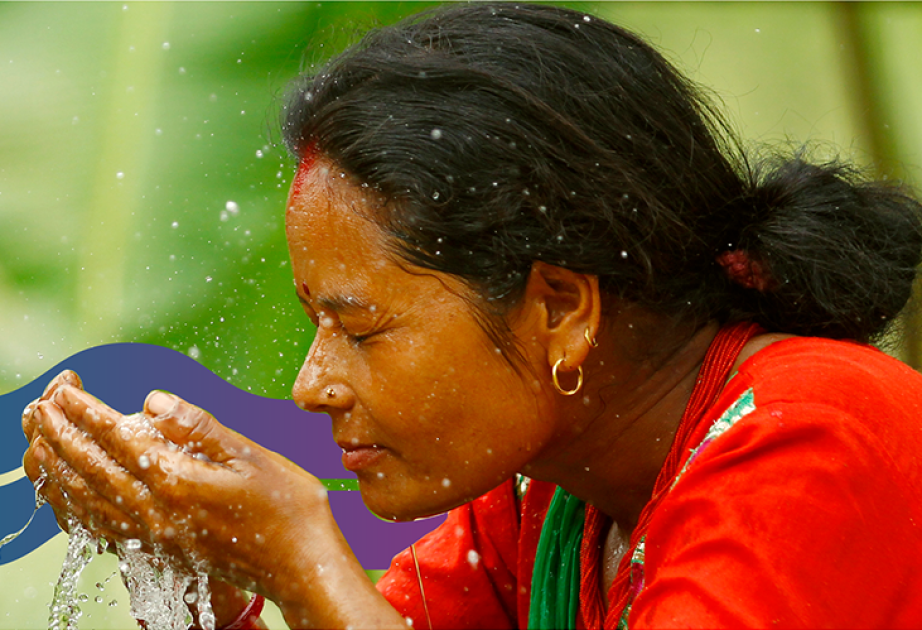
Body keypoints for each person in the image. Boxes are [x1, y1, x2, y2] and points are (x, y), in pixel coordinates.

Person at [20, 3, 922, 628]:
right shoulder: (542, 497)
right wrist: (214, 589)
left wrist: (301, 553)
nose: (311, 385)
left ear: (561, 310)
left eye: (362, 329)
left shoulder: (813, 435)